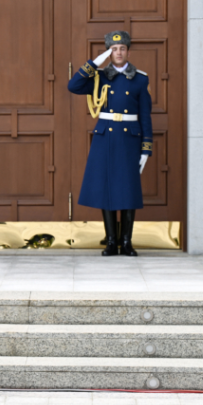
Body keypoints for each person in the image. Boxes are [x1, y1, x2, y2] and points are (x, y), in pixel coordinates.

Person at [68, 31, 152, 256]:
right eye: (113, 49)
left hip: (128, 139)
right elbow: (73, 86)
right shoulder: (99, 76)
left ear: (128, 51)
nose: (118, 53)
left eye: (122, 48)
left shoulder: (140, 79)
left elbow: (145, 115)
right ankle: (111, 242)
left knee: (128, 191)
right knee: (106, 189)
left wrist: (146, 148)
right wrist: (95, 63)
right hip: (105, 138)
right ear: (109, 52)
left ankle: (127, 242)